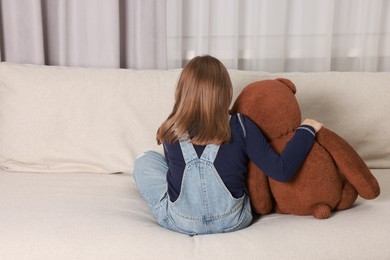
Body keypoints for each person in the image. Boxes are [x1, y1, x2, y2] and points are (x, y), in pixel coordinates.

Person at [133, 55, 323, 235]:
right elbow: (282, 171)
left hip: (181, 222)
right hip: (233, 221)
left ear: (183, 92)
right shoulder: (241, 125)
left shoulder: (171, 128)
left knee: (145, 160)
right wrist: (306, 130)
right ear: (225, 91)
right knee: (157, 161)